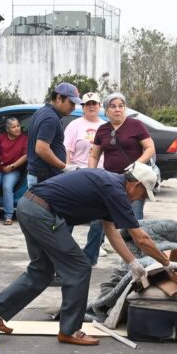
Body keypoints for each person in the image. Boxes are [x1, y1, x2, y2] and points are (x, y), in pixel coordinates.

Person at [0, 163, 177, 346]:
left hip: (29, 207)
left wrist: (133, 263)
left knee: (41, 271)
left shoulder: (109, 184)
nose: (140, 199)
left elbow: (110, 231)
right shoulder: (115, 191)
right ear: (136, 185)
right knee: (79, 267)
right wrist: (166, 262)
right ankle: (70, 330)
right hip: (43, 214)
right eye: (143, 194)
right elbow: (141, 238)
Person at [88, 92, 155, 220]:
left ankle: (132, 240)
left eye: (121, 106)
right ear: (106, 110)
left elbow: (150, 148)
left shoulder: (136, 125)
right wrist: (92, 173)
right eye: (113, 106)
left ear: (125, 108)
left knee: (133, 219)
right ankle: (95, 241)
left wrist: (136, 165)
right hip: (109, 180)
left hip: (133, 180)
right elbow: (94, 156)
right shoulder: (102, 129)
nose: (117, 109)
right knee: (100, 220)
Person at [63, 92, 107, 265]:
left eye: (94, 103)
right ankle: (64, 253)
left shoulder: (105, 127)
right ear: (82, 106)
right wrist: (67, 171)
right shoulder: (74, 125)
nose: (91, 106)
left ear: (99, 106)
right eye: (87, 104)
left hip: (100, 176)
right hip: (78, 174)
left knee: (98, 220)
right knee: (70, 217)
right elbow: (67, 150)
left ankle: (90, 256)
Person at [26, 82, 82, 187]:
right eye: (71, 103)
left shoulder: (42, 112)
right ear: (59, 98)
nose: (74, 107)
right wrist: (64, 167)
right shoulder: (50, 118)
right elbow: (41, 149)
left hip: (41, 176)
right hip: (44, 177)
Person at [0, 118, 28, 225]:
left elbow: (25, 156)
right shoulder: (1, 138)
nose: (17, 128)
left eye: (18, 126)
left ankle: (8, 216)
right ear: (8, 130)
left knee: (7, 187)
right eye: (14, 127)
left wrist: (12, 166)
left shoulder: (25, 139)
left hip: (13, 169)